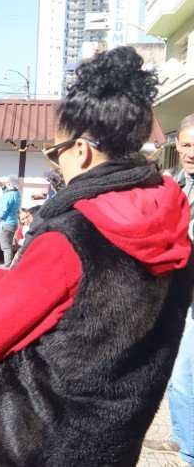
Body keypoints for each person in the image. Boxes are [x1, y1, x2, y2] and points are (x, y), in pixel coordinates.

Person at [0, 46, 194, 466]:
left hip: (43, 444)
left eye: (53, 154)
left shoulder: (70, 236)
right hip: (114, 443)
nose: (55, 164)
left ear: (82, 151)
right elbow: (97, 300)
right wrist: (0, 278)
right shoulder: (171, 225)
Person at [145, 113, 194, 460]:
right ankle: (181, 436)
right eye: (188, 144)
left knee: (181, 379)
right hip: (180, 293)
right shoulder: (175, 182)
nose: (192, 152)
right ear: (178, 145)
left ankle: (189, 451)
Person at [0, 174, 21, 267]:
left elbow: (4, 208)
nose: (6, 183)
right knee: (9, 246)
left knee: (6, 247)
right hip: (13, 222)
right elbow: (9, 193)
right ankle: (9, 264)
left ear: (9, 183)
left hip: (5, 223)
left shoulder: (8, 196)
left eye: (6, 182)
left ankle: (7, 266)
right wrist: (3, 186)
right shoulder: (17, 193)